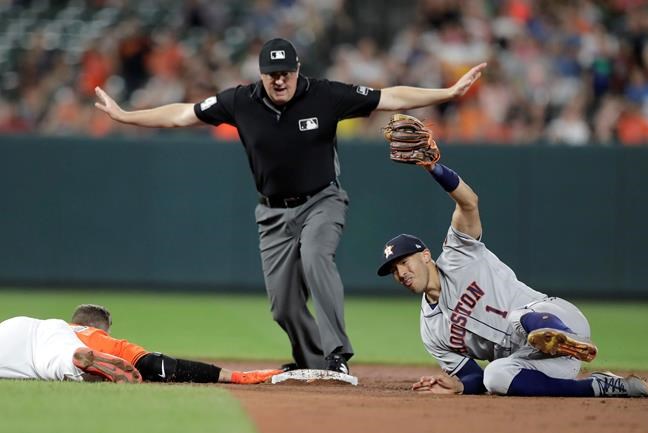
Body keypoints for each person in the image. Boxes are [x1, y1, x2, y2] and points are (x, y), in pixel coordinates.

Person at [94, 37, 486, 373]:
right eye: (271, 73)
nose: (279, 80)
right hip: (272, 213)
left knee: (316, 257)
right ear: (261, 74)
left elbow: (390, 96)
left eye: (285, 72)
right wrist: (126, 116)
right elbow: (182, 114)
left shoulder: (325, 95)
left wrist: (446, 93)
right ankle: (311, 360)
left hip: (322, 202)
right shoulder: (241, 101)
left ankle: (336, 355)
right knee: (283, 305)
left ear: (297, 69)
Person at [376, 156, 648, 397]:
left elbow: (469, 203)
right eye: (394, 271)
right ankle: (599, 387)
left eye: (404, 262)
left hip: (558, 316)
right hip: (541, 364)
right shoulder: (430, 332)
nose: (401, 273)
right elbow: (473, 377)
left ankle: (558, 335)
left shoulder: (458, 254)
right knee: (494, 376)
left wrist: (435, 169)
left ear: (425, 255)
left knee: (517, 317)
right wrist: (458, 386)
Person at [70, 304, 280, 384]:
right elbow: (160, 366)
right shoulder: (101, 340)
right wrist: (234, 376)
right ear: (98, 327)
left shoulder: (51, 330)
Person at [0, 315, 141, 383]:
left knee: (59, 364)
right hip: (42, 325)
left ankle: (85, 366)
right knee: (66, 352)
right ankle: (80, 358)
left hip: (9, 347)